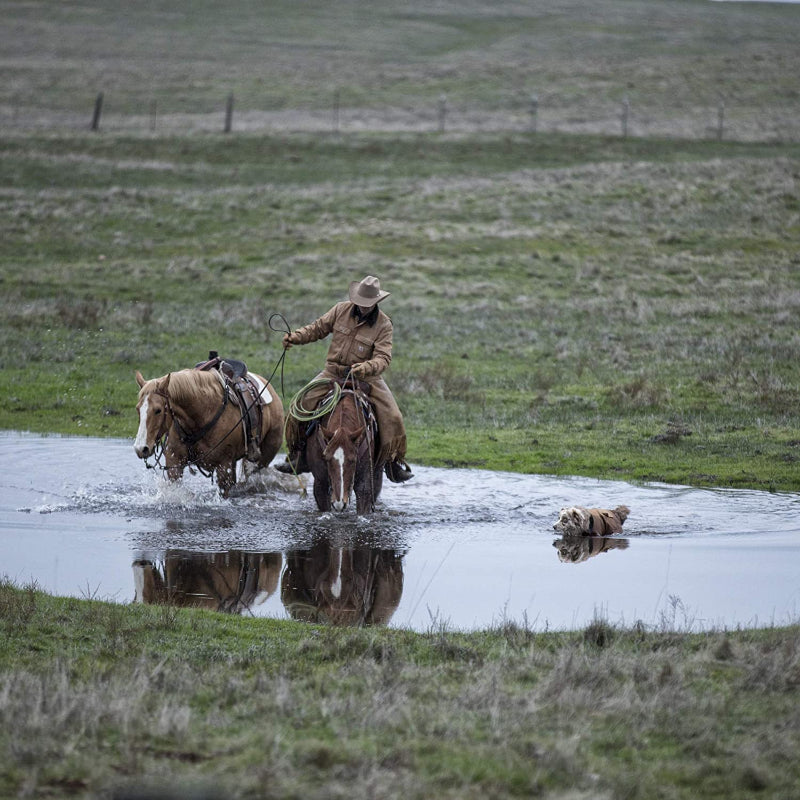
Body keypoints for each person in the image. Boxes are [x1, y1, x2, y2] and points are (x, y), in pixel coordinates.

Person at [277, 275, 413, 482]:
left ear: (376, 302)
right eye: (360, 303)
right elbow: (318, 328)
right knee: (300, 405)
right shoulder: (340, 309)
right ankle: (298, 455)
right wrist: (296, 337)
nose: (363, 307)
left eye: (368, 304)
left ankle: (392, 462)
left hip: (367, 378)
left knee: (393, 417)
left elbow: (383, 358)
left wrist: (366, 367)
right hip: (332, 373)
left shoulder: (384, 325)